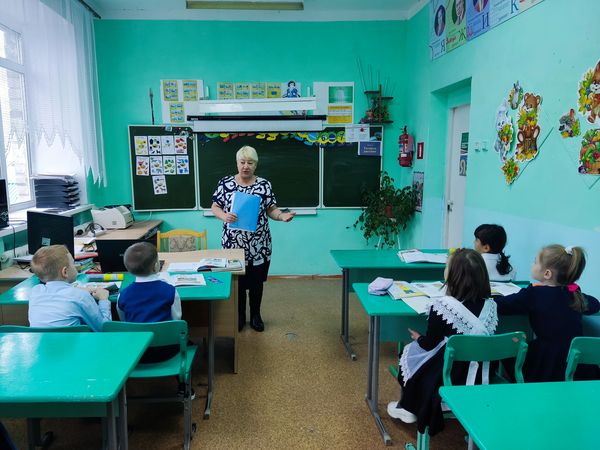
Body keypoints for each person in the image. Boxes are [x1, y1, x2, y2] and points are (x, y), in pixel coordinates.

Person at [387, 249, 497, 436]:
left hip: (449, 372)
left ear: (454, 276)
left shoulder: (443, 306)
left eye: (447, 266)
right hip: (481, 373)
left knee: (410, 352)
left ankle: (408, 407)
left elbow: (430, 343)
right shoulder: (491, 306)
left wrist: (418, 338)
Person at [211, 145, 295, 332]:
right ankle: (240, 315)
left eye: (250, 163)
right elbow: (215, 206)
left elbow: (272, 209)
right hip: (233, 244)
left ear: (255, 165)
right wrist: (224, 216)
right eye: (242, 162)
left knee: (256, 283)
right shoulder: (225, 183)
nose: (245, 166)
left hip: (259, 244)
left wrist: (282, 216)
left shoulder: (264, 185)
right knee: (238, 283)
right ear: (237, 163)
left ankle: (256, 315)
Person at [494, 245, 600, 382]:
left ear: (547, 274)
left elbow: (501, 305)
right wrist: (575, 290)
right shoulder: (574, 295)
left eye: (535, 262)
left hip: (546, 361)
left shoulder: (533, 294)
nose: (532, 264)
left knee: (509, 353)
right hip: (576, 360)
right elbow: (595, 304)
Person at [117, 242, 183, 363]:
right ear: (156, 265)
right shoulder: (170, 291)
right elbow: (176, 320)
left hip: (135, 353)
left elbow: (124, 322)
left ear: (128, 269)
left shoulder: (123, 295)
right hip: (167, 351)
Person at [29, 245, 111, 332]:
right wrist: (103, 300)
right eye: (73, 264)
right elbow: (103, 329)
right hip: (71, 341)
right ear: (65, 272)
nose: (75, 267)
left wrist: (78, 289)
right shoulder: (81, 296)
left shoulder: (35, 292)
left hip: (40, 340)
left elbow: (58, 294)